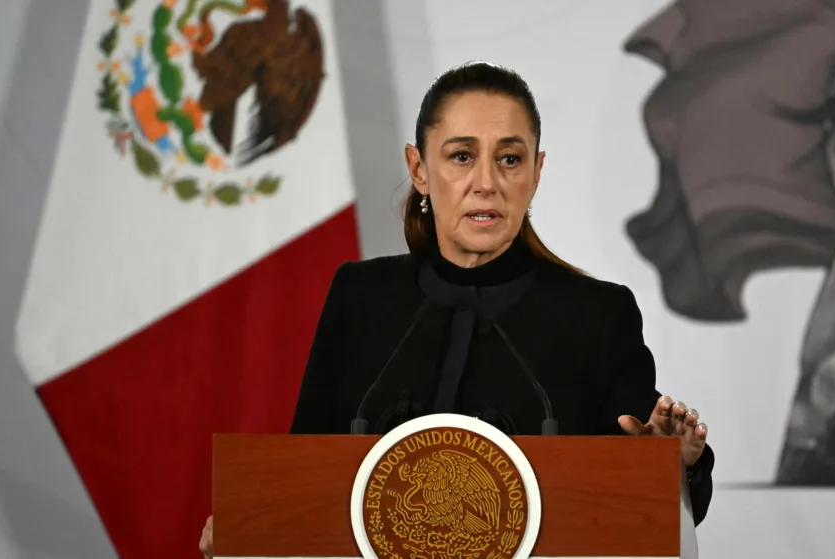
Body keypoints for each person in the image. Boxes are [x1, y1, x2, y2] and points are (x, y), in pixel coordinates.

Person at [199, 61, 714, 558]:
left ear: (535, 174)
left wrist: (673, 462)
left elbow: (636, 506)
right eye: (462, 156)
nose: (486, 182)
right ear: (419, 169)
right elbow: (302, 474)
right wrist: (250, 530)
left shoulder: (599, 314)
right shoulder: (360, 296)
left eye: (509, 159)